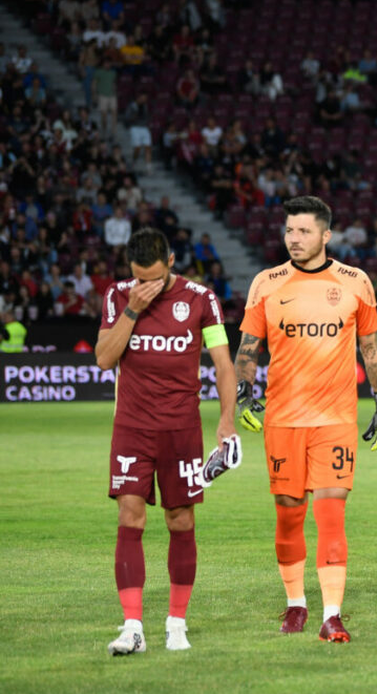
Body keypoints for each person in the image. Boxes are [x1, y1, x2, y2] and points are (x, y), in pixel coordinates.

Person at [232, 196, 377, 643]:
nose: (294, 239)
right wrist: (243, 394)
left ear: (326, 235)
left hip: (335, 418)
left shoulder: (355, 282)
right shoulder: (266, 283)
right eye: (289, 230)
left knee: (330, 513)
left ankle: (332, 615)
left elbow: (371, 348)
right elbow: (248, 347)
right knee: (289, 514)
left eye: (303, 231)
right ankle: (296, 604)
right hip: (283, 419)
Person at [94, 228, 238, 655]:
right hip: (132, 428)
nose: (147, 287)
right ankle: (132, 628)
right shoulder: (118, 296)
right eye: (140, 279)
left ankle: (177, 623)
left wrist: (226, 420)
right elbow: (104, 359)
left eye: (154, 278)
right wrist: (132, 310)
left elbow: (223, 364)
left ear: (171, 262)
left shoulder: (200, 299)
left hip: (181, 429)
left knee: (181, 521)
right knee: (130, 516)